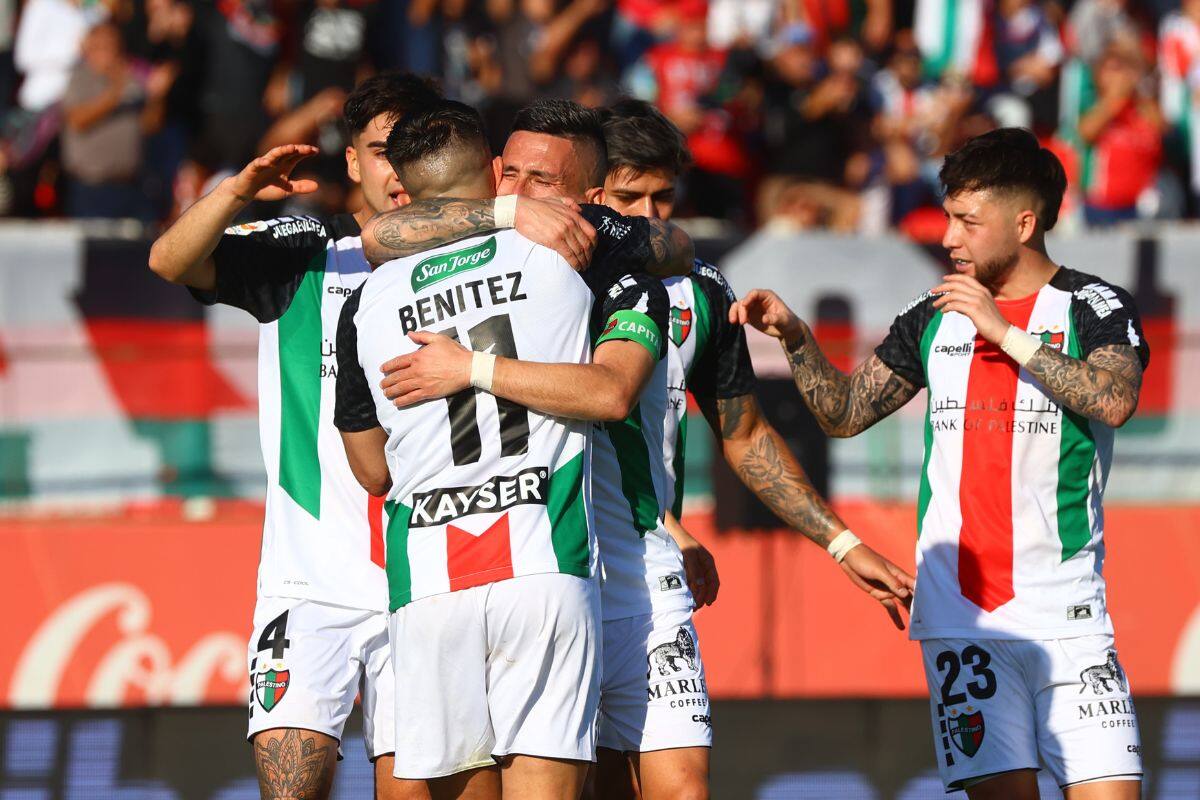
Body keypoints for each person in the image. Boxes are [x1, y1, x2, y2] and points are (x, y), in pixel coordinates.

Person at [146, 72, 595, 800]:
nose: (398, 170)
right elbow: (169, 261)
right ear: (352, 161)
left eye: (412, 149)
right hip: (309, 580)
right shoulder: (307, 251)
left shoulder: (507, 247)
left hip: (423, 576)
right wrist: (237, 191)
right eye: (382, 151)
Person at [733, 128, 1148, 799]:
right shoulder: (933, 314)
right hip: (961, 622)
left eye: (967, 222)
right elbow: (843, 413)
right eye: (948, 217)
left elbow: (1115, 399)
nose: (950, 238)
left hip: (1069, 614)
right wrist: (796, 336)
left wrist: (1002, 331)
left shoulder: (1092, 305)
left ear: (1024, 223)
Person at [333, 99, 670, 800]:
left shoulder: (364, 302)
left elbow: (370, 467)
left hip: (428, 583)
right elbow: (617, 380)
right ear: (490, 171)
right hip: (543, 562)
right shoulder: (571, 250)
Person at [588, 98, 916, 799]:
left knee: (682, 789)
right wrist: (671, 523)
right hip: (556, 566)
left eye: (663, 197)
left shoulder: (702, 288)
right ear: (589, 193)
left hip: (649, 575)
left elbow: (745, 435)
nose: (650, 215)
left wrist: (842, 545)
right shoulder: (552, 281)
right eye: (628, 197)